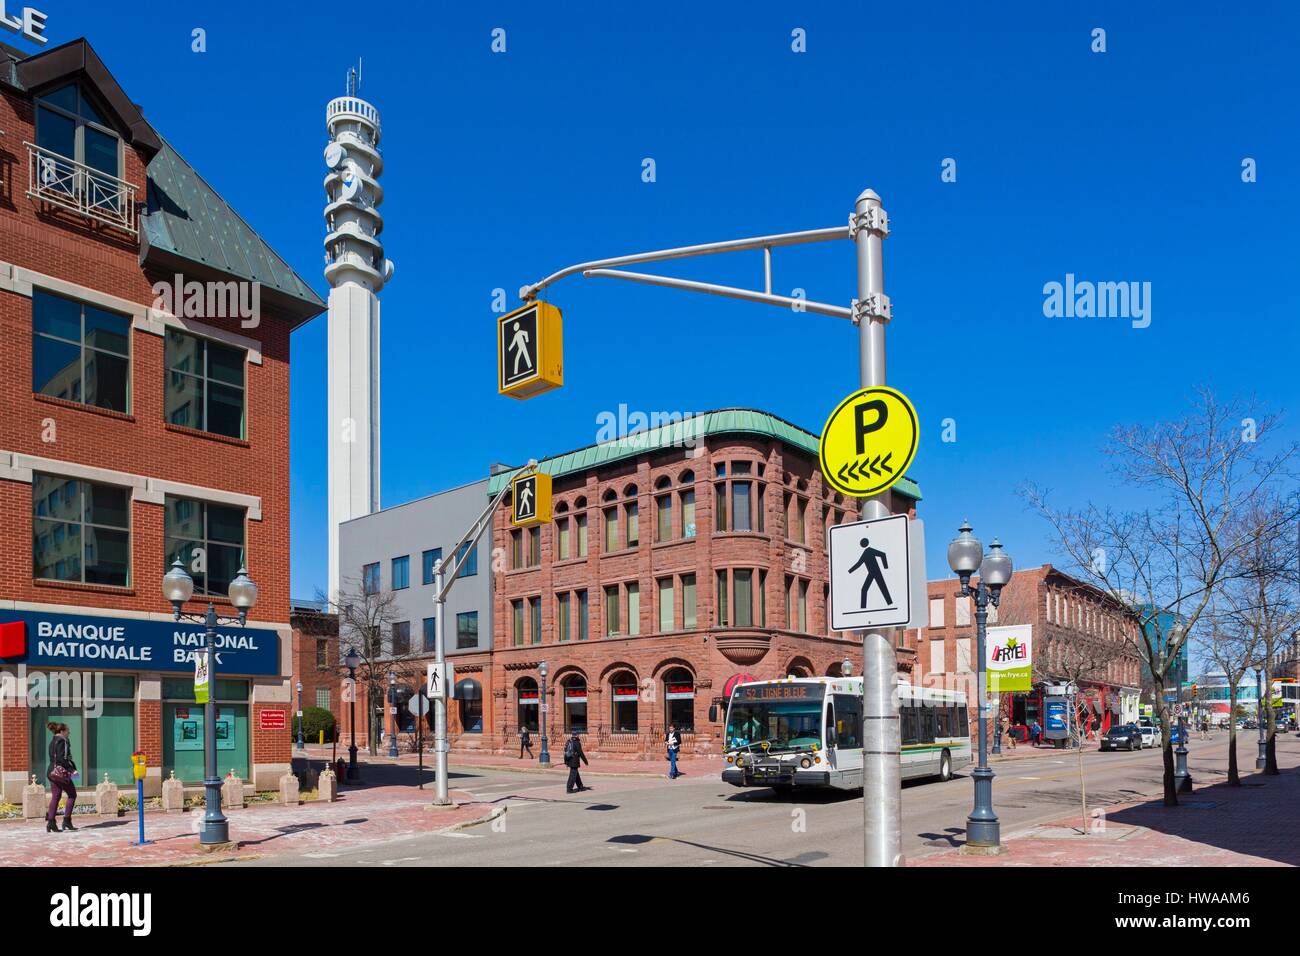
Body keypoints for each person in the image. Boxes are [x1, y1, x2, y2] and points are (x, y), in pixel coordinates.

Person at [45, 722, 78, 833]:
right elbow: (61, 759)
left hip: (51, 772)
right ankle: (67, 821)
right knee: (72, 794)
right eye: (68, 730)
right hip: (60, 773)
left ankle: (51, 822)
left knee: (56, 796)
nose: (69, 732)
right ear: (62, 731)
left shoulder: (52, 741)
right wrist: (71, 770)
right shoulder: (63, 741)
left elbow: (54, 758)